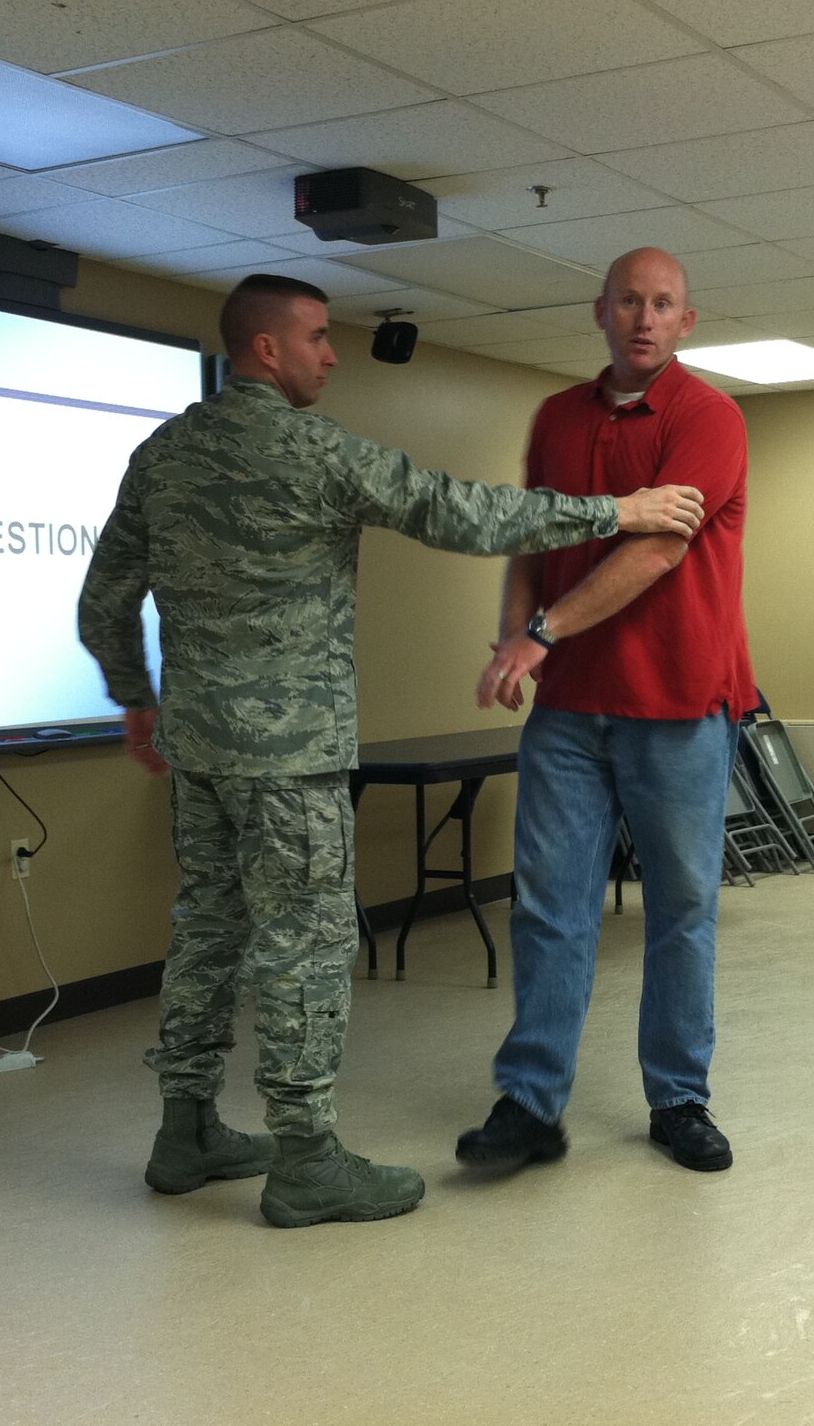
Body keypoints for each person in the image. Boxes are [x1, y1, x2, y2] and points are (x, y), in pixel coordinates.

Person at [78, 274, 706, 1228]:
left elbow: (104, 598)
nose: (332, 355)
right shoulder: (314, 452)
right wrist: (618, 511)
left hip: (200, 750)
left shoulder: (162, 453)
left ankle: (187, 1127)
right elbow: (463, 514)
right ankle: (304, 1158)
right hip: (290, 758)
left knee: (208, 926)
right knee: (306, 945)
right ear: (267, 351)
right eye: (319, 338)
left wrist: (135, 700)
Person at [458, 247, 757, 1175]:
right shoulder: (556, 418)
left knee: (680, 907)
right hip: (570, 711)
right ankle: (531, 1104)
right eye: (629, 301)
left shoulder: (709, 417)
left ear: (686, 321)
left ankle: (678, 1100)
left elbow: (658, 551)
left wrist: (541, 632)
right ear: (600, 310)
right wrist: (513, 636)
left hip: (677, 704)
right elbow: (527, 537)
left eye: (663, 303)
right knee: (550, 907)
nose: (644, 317)